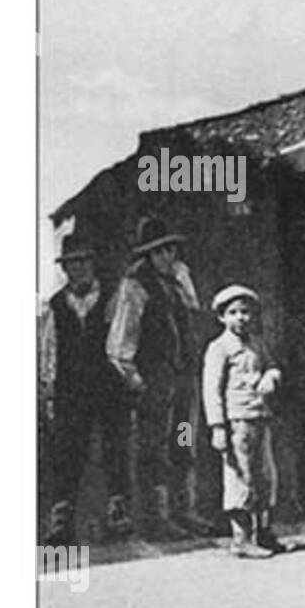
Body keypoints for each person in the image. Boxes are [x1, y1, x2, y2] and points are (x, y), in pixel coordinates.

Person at [106, 216, 209, 540]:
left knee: (183, 440)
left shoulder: (179, 279)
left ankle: (184, 509)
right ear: (147, 255)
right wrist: (136, 380)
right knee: (154, 449)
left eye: (171, 249)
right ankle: (157, 517)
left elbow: (192, 314)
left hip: (183, 379)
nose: (167, 256)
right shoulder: (135, 286)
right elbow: (119, 344)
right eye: (159, 251)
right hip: (155, 380)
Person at [39, 233, 132, 544]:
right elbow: (49, 350)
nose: (78, 268)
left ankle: (118, 513)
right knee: (68, 452)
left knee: (115, 447)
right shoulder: (55, 304)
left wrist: (127, 379)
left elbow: (125, 341)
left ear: (92, 264)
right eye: (71, 264)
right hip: (70, 391)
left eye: (83, 261)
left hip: (109, 387)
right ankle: (61, 520)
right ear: (64, 268)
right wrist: (49, 390)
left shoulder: (113, 297)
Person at [202, 285, 286, 559]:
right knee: (241, 478)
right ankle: (242, 538)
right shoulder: (219, 348)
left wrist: (271, 377)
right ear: (221, 317)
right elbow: (211, 389)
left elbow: (272, 365)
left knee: (265, 477)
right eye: (233, 312)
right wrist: (217, 427)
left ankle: (264, 532)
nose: (240, 317)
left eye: (245, 312)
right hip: (237, 421)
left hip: (261, 416)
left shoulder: (257, 343)